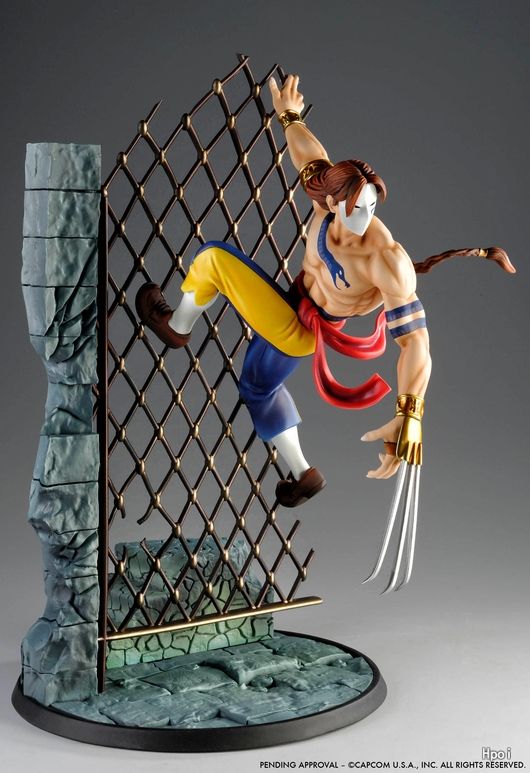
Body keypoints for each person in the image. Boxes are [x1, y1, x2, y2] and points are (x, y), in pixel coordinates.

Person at [135, 75, 514, 509]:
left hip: (303, 328)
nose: (365, 217)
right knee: (257, 386)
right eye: (356, 207)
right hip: (292, 304)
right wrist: (289, 116)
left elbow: (416, 341)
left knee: (214, 260)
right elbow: (308, 154)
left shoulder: (384, 258)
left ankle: (177, 326)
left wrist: (409, 414)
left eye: (372, 206)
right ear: (332, 201)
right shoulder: (325, 201)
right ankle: (303, 473)